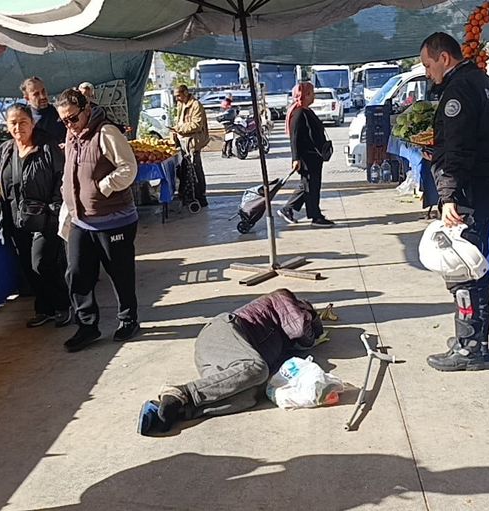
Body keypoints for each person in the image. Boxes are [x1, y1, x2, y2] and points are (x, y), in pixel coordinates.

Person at [419, 32, 489, 371]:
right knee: (476, 265)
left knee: (461, 271)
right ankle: (475, 339)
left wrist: (448, 196)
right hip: (485, 185)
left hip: (466, 193)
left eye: (428, 65)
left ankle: (469, 347)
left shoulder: (459, 90)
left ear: (444, 58)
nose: (428, 73)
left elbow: (457, 149)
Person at [137, 289, 323, 436]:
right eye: (308, 313)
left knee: (248, 396)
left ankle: (167, 411)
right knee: (257, 368)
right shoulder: (284, 297)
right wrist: (314, 322)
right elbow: (301, 331)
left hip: (226, 358)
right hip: (224, 332)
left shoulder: (281, 335)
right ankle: (183, 392)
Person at [57, 88, 141, 352]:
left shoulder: (106, 132)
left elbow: (129, 167)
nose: (69, 124)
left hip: (114, 220)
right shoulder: (71, 136)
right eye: (64, 121)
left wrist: (104, 186)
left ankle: (128, 319)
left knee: (120, 273)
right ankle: (87, 325)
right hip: (81, 220)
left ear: (87, 109)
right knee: (77, 273)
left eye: (73, 118)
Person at [0, 104, 71, 329]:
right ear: (7, 125)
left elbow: (61, 178)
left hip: (44, 217)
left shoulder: (47, 147)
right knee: (28, 266)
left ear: (33, 123)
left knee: (42, 263)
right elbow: (2, 183)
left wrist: (54, 209)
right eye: (13, 123)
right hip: (16, 218)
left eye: (23, 122)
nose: (18, 127)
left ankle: (63, 305)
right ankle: (44, 309)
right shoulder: (5, 151)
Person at [277, 82, 334, 228]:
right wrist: (295, 158)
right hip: (307, 157)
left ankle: (288, 209)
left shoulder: (306, 110)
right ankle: (315, 216)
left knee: (307, 185)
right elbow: (294, 138)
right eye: (312, 93)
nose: (314, 96)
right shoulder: (298, 113)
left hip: (314, 156)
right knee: (311, 187)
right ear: (306, 95)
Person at [172, 85, 209, 207]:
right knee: (185, 169)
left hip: (192, 142)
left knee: (195, 169)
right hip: (183, 141)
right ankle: (188, 195)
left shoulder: (196, 105)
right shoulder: (180, 104)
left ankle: (200, 196)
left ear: (186, 92)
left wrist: (179, 128)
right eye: (176, 96)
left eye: (179, 95)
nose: (177, 98)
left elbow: (196, 125)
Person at [20, 77, 67, 143]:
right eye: (36, 94)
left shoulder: (59, 111)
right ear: (27, 98)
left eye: (43, 91)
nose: (42, 96)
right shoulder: (26, 119)